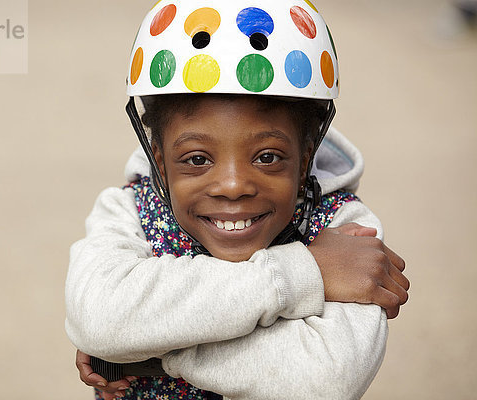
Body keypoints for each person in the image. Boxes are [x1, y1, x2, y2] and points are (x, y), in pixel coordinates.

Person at [65, 1, 410, 399]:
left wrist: (144, 348)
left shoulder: (346, 232)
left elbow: (324, 381)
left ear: (306, 157)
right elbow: (99, 317)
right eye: (197, 159)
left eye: (267, 157)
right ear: (159, 159)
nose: (232, 185)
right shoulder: (127, 210)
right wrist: (304, 271)